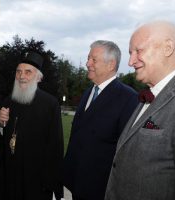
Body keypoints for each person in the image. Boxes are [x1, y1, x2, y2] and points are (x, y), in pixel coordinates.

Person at [105, 20, 175, 200]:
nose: (130, 61)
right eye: (130, 53)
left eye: (138, 51)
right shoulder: (151, 95)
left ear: (168, 48)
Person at [63, 40, 139, 200]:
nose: (87, 63)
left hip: (101, 188)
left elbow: (127, 153)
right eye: (88, 58)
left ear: (111, 64)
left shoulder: (128, 98)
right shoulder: (88, 92)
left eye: (93, 59)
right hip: (77, 183)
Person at [0, 51, 64, 200]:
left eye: (28, 72)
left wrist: (52, 183)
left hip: (36, 181)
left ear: (39, 77)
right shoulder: (8, 101)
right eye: (18, 72)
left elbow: (55, 146)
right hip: (9, 177)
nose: (22, 76)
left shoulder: (50, 104)